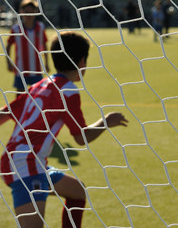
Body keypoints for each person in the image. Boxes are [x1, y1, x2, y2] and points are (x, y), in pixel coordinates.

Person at [0, 31, 129, 228]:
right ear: (82, 61)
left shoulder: (40, 84)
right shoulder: (67, 90)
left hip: (30, 162)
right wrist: (106, 121)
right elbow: (81, 137)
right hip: (24, 165)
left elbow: (4, 114)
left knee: (77, 192)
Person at [6, 0, 49, 95]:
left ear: (36, 12)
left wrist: (46, 63)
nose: (29, 14)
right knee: (20, 98)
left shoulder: (40, 27)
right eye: (26, 12)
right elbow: (8, 46)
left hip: (37, 69)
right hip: (21, 69)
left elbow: (45, 45)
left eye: (32, 12)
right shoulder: (16, 29)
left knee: (38, 97)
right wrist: (9, 62)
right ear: (21, 12)